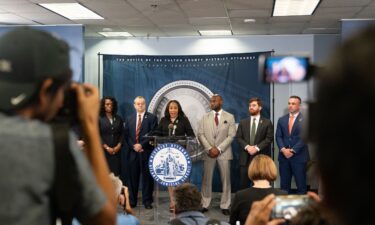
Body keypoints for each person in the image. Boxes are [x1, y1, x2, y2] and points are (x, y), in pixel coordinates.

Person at [0, 27, 116, 225]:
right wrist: (89, 125)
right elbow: (104, 219)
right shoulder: (51, 142)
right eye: (63, 90)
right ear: (46, 90)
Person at [198, 94, 236, 216]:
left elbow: (231, 135)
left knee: (226, 180)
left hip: (224, 153)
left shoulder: (229, 117)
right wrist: (209, 148)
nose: (212, 102)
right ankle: (205, 203)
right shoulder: (205, 117)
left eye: (214, 100)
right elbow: (200, 134)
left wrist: (219, 149)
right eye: (211, 101)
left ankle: (225, 205)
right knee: (206, 179)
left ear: (221, 102)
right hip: (208, 153)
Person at [156, 99, 195, 212]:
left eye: (175, 107)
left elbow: (191, 135)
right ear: (168, 109)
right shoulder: (164, 120)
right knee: (170, 179)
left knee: (180, 179)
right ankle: (173, 201)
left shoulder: (184, 120)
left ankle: (181, 202)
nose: (173, 110)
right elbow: (158, 134)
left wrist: (180, 141)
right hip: (166, 153)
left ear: (179, 109)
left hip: (180, 153)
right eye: (171, 108)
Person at [230, 154, 286, 225]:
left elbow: (232, 222)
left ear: (251, 169)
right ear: (272, 169)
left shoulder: (240, 196)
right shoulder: (282, 195)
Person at [123, 96, 157, 209]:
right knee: (132, 177)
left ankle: (147, 201)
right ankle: (132, 201)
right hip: (133, 153)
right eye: (138, 104)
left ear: (145, 105)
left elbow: (153, 133)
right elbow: (126, 135)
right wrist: (134, 146)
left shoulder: (152, 118)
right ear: (134, 105)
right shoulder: (129, 118)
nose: (140, 105)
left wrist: (141, 145)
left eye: (142, 103)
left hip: (146, 151)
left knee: (147, 178)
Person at [72, 173, 141, 225]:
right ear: (119, 198)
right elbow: (135, 222)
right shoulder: (127, 221)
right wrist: (128, 209)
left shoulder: (74, 221)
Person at [236, 97, 274, 189]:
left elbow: (269, 138)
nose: (251, 107)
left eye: (254, 105)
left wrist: (256, 148)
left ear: (260, 107)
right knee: (243, 186)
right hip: (245, 159)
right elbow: (239, 137)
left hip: (260, 159)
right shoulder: (243, 122)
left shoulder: (267, 122)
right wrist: (247, 147)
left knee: (260, 186)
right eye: (250, 106)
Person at [276, 95, 309, 194]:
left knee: (301, 186)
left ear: (299, 105)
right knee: (284, 187)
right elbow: (278, 136)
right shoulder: (281, 120)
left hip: (299, 157)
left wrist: (293, 151)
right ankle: (284, 209)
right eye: (289, 103)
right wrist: (283, 149)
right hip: (284, 157)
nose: (290, 106)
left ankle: (303, 209)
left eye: (293, 103)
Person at [99, 96, 124, 176]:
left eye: (111, 104)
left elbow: (122, 134)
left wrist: (118, 146)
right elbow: (97, 135)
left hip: (116, 152)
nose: (109, 106)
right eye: (107, 104)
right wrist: (106, 147)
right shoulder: (99, 119)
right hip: (103, 152)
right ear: (103, 105)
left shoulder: (118, 118)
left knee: (116, 175)